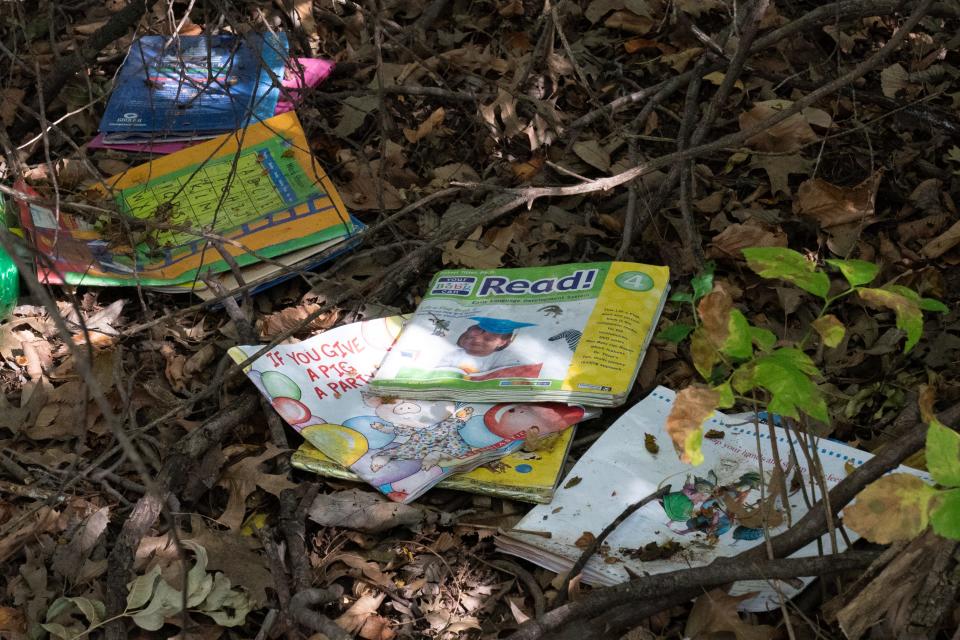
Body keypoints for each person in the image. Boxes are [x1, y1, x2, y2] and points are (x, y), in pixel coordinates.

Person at [434, 316, 541, 379]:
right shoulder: (454, 355)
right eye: (472, 337)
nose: (477, 340)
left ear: (502, 343)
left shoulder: (506, 357)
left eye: (488, 339)